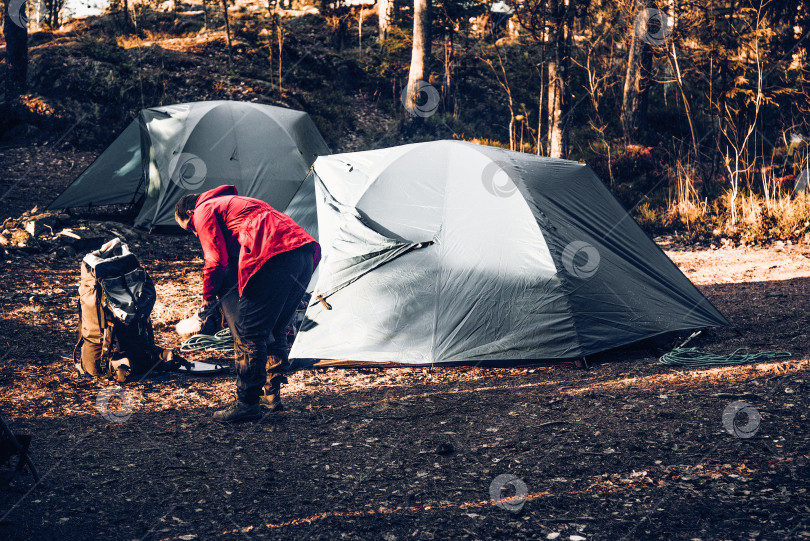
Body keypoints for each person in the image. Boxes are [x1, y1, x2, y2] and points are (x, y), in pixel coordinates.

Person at [175, 185, 319, 423]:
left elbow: (215, 259)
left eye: (191, 228)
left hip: (273, 255)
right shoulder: (235, 203)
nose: (195, 232)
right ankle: (270, 395)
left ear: (188, 212)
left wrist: (208, 296)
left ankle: (247, 403)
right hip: (302, 253)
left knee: (250, 334)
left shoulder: (203, 209)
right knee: (275, 329)